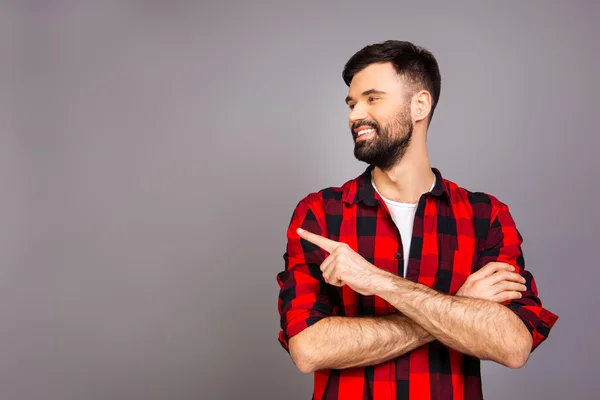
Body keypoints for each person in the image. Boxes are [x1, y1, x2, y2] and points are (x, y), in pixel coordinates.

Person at [276, 40, 558, 400]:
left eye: (372, 98)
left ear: (419, 105)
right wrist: (456, 303)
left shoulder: (485, 216)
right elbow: (308, 348)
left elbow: (513, 345)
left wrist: (379, 281)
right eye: (351, 103)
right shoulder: (321, 213)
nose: (354, 114)